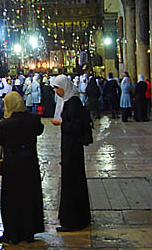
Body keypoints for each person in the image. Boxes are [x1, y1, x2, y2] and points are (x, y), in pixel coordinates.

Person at [0, 92, 44, 244]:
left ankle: (12, 234)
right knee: (29, 196)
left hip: (12, 165)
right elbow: (40, 130)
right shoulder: (33, 119)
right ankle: (28, 232)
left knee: (12, 198)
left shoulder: (6, 124)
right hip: (30, 164)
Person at [50, 75, 91, 232]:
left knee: (72, 181)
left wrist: (61, 123)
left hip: (73, 148)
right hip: (69, 146)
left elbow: (76, 126)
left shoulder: (73, 102)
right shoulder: (69, 100)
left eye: (57, 88)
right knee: (72, 181)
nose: (56, 91)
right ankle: (75, 217)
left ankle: (73, 221)